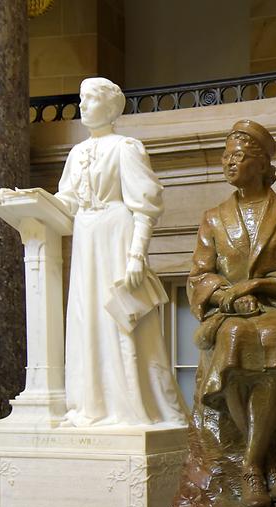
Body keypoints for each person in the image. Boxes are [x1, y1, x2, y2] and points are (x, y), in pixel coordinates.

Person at [188, 120, 276, 507]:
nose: (228, 163)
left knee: (275, 338)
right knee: (233, 338)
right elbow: (199, 275)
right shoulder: (213, 218)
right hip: (230, 313)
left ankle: (250, 461)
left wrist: (262, 286)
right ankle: (262, 465)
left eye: (239, 156)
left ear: (263, 163)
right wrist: (229, 296)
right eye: (225, 155)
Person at [56, 77, 187, 427]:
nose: (82, 106)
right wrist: (28, 202)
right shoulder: (76, 153)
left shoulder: (125, 147)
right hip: (86, 236)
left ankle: (129, 405)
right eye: (81, 99)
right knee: (87, 317)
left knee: (120, 318)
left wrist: (136, 254)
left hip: (116, 234)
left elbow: (144, 204)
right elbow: (66, 200)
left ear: (110, 107)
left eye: (90, 100)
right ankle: (92, 404)